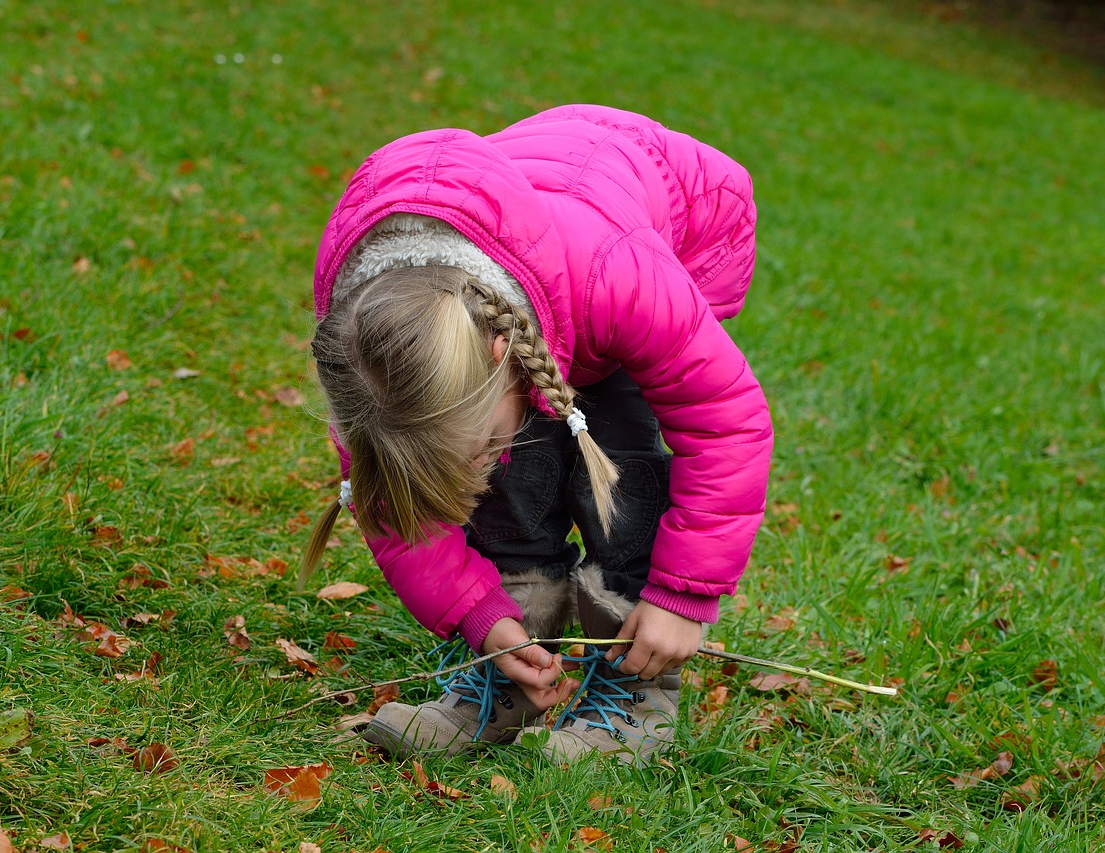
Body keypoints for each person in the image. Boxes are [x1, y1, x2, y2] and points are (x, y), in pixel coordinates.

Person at [298, 104, 772, 765]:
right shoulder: (372, 363)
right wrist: (482, 614)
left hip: (667, 234)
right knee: (515, 468)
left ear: (500, 354)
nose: (479, 467)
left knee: (616, 454)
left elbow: (726, 422)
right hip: (538, 263)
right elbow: (390, 501)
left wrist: (682, 597)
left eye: (478, 449)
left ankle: (635, 689)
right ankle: (515, 664)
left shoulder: (622, 280)